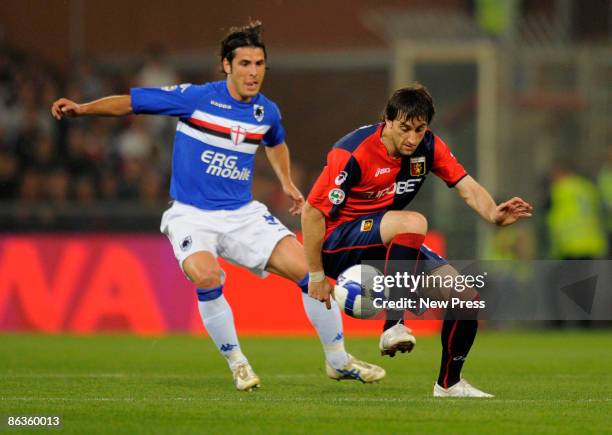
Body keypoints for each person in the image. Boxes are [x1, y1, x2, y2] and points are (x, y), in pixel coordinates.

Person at [51, 22, 384, 391]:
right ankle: (238, 363)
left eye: (259, 64)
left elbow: (275, 142)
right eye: (244, 64)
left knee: (312, 272)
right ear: (226, 65)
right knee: (207, 276)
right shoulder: (195, 99)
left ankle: (338, 361)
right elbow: (131, 102)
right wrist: (82, 109)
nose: (253, 72)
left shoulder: (265, 112)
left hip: (242, 214)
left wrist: (286, 181)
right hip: (192, 215)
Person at [302, 84, 533, 397]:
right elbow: (313, 212)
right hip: (339, 241)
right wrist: (316, 275)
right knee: (414, 221)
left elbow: (466, 186)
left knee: (465, 300)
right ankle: (392, 326)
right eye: (404, 128)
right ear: (387, 120)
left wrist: (493, 213)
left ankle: (449, 384)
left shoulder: (429, 147)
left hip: (388, 239)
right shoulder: (352, 152)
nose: (412, 138)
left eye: (420, 129)